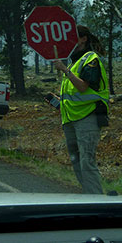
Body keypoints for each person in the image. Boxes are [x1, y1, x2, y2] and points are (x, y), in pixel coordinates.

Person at [53, 25, 110, 195]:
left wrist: (64, 69)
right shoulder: (75, 61)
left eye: (72, 37)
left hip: (88, 117)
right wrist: (58, 101)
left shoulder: (90, 59)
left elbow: (83, 87)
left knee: (87, 161)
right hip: (70, 119)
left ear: (83, 39)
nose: (68, 41)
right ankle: (89, 195)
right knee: (76, 160)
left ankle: (96, 201)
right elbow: (74, 93)